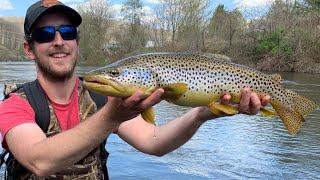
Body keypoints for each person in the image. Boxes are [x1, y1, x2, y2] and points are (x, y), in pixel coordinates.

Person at [0, 0, 270, 179]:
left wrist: (202, 114)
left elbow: (154, 142)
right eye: (46, 35)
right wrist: (112, 117)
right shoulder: (16, 104)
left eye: (67, 32)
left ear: (77, 42)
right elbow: (39, 161)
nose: (59, 41)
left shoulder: (103, 98)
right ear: (28, 49)